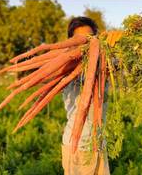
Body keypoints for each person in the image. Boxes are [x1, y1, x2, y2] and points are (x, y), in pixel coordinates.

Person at [61, 17, 110, 175]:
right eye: (79, 40)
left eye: (89, 39)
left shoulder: (105, 63)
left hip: (99, 145)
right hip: (77, 146)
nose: (85, 44)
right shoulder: (66, 67)